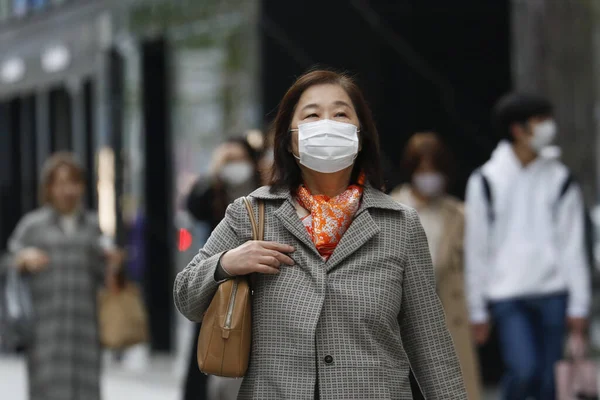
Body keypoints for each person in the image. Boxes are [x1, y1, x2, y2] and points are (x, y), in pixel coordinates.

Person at [174, 69, 467, 399]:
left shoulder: (399, 224)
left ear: (361, 135)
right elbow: (186, 296)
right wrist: (227, 262)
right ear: (289, 137)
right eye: (312, 115)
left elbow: (430, 342)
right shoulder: (252, 213)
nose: (327, 124)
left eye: (340, 113)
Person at [465, 93, 591, 400]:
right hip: (508, 296)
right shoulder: (485, 180)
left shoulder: (561, 179)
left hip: (554, 293)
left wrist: (579, 304)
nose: (549, 128)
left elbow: (572, 244)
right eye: (540, 121)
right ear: (518, 129)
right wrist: (477, 309)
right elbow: (477, 247)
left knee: (550, 384)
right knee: (524, 371)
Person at [5, 152, 122, 400]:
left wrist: (113, 264)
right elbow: (8, 262)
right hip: (45, 333)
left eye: (73, 182)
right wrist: (22, 260)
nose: (66, 190)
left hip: (85, 332)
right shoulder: (32, 226)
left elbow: (106, 280)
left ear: (81, 186)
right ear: (48, 188)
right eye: (59, 183)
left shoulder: (92, 227)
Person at [390, 132, 482, 400]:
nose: (429, 176)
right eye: (422, 169)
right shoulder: (391, 208)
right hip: (400, 310)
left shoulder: (458, 213)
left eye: (435, 169)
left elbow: (473, 266)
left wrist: (478, 311)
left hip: (448, 311)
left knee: (453, 383)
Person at [182, 137, 261, 400]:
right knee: (213, 342)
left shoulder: (265, 191)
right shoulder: (213, 191)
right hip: (219, 279)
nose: (235, 167)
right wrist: (214, 177)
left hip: (259, 280)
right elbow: (193, 206)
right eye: (229, 161)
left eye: (239, 160)